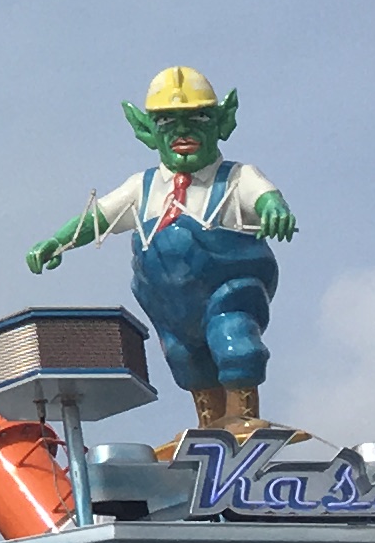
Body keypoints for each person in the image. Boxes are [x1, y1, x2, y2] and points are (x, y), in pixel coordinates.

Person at [24, 66, 299, 442]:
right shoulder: (143, 186)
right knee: (185, 357)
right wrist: (58, 242)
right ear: (148, 131)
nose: (182, 132)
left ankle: (242, 416)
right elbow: (98, 218)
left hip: (230, 287)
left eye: (198, 118)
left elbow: (267, 199)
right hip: (168, 301)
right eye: (168, 122)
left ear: (222, 123)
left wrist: (275, 211)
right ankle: (210, 426)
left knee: (233, 338)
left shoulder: (237, 178)